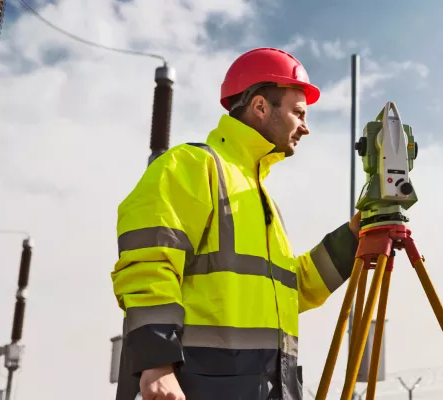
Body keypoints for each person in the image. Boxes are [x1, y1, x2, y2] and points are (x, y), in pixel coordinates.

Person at [111, 47, 361, 400]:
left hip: (267, 387)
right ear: (260, 107)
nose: (305, 127)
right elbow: (149, 264)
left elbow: (295, 288)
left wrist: (353, 238)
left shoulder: (258, 196)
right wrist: (156, 364)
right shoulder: (193, 166)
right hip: (199, 386)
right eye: (298, 113)